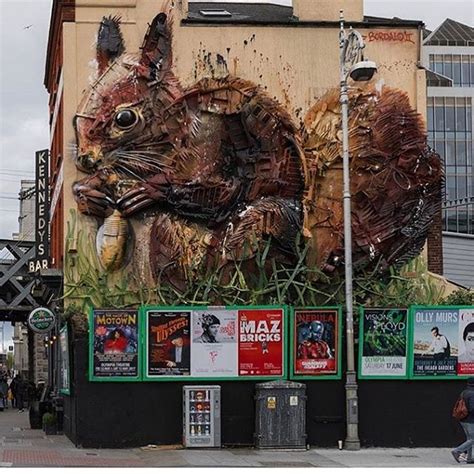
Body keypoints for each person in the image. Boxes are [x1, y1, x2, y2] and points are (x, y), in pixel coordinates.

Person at [452, 377, 474, 464]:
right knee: (472, 439)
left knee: (469, 439)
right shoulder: (472, 393)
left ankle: (469, 458)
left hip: (463, 419)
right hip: (470, 420)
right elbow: (472, 409)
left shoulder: (464, 392)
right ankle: (457, 451)